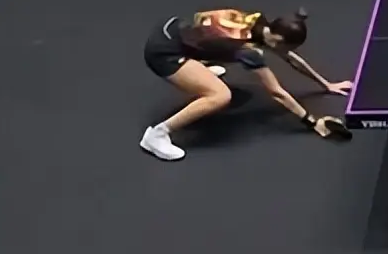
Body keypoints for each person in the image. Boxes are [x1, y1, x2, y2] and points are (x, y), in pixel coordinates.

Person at [139, 8, 353, 161]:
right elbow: (276, 92)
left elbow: (291, 59)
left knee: (222, 54)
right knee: (220, 96)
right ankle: (157, 134)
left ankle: (200, 69)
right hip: (163, 53)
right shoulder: (248, 51)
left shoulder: (259, 23)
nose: (286, 52)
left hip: (175, 29)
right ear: (278, 39)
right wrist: (312, 122)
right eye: (286, 47)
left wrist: (326, 84)